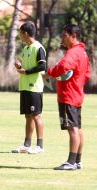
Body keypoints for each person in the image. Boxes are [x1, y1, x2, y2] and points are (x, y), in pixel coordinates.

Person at [45, 24, 90, 170]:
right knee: (77, 128)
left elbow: (63, 67)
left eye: (64, 35)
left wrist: (49, 73)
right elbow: (87, 74)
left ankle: (71, 162)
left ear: (73, 36)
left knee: (72, 129)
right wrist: (77, 83)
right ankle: (77, 161)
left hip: (68, 96)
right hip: (76, 95)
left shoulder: (73, 52)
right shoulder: (82, 52)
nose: (62, 38)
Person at [11, 21, 46, 154]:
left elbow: (42, 67)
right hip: (24, 86)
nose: (20, 36)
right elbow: (26, 69)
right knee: (28, 116)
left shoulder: (39, 48)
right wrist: (19, 67)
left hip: (35, 87)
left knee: (36, 116)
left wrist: (25, 72)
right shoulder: (26, 49)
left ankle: (40, 146)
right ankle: (26, 145)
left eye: (20, 33)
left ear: (25, 33)